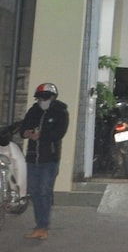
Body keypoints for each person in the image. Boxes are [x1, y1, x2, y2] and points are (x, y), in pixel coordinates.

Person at [19, 82, 69, 240]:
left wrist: (41, 136)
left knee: (44, 191)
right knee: (34, 191)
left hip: (49, 159)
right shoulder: (33, 111)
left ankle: (42, 226)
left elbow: (59, 133)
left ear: (52, 97)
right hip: (32, 157)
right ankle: (39, 225)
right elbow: (23, 129)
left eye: (45, 97)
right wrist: (26, 133)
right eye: (39, 98)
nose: (42, 100)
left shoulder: (60, 112)